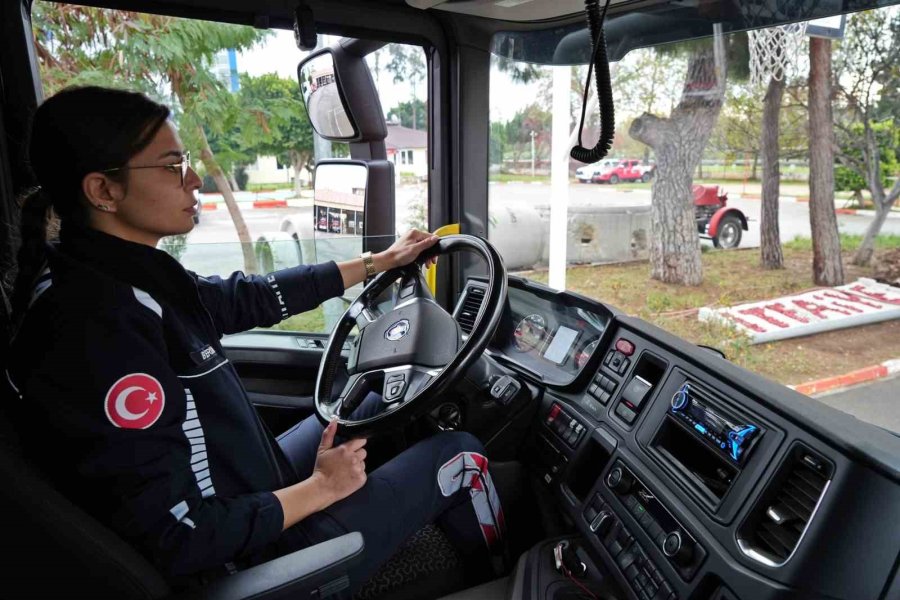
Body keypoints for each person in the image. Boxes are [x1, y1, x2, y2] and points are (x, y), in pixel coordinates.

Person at [4, 86, 505, 593]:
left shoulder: (120, 275)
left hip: (253, 496)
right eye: (173, 166)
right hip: (253, 557)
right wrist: (320, 489)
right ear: (103, 191)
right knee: (461, 453)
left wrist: (379, 262)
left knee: (371, 400)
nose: (195, 180)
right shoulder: (98, 331)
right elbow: (181, 535)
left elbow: (250, 298)